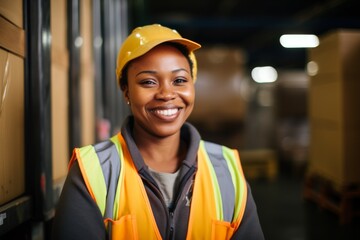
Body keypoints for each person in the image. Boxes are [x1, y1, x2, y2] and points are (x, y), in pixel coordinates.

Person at [51, 24, 264, 240]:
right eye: (148, 82)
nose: (166, 94)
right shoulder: (93, 170)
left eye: (179, 80)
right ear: (126, 91)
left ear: (192, 85)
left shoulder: (227, 168)